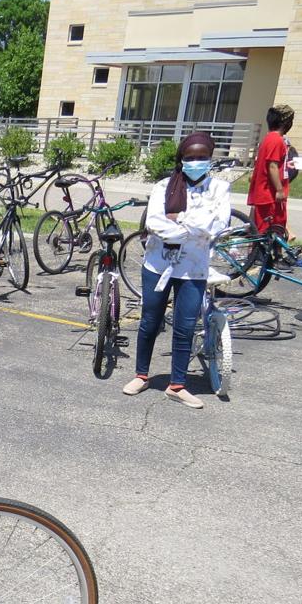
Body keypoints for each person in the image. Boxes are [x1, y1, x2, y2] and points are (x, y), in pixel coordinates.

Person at [122, 132, 231, 409]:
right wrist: (196, 226)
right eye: (190, 158)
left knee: (185, 328)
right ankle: (141, 375)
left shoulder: (219, 189)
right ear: (181, 159)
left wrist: (180, 220)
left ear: (210, 159)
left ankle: (177, 385)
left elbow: (219, 225)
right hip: (158, 264)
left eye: (202, 158)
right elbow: (156, 224)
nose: (196, 162)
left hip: (193, 269)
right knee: (149, 322)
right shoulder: (163, 186)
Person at [247, 105, 295, 236]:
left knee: (274, 229)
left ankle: (272, 255)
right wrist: (279, 190)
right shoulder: (276, 140)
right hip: (269, 195)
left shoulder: (268, 139)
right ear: (286, 123)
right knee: (268, 231)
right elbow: (272, 166)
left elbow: (271, 163)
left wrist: (286, 164)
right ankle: (260, 256)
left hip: (266, 193)